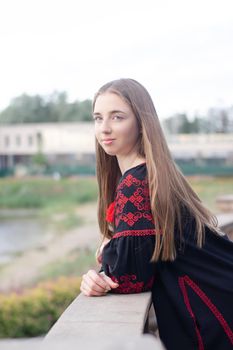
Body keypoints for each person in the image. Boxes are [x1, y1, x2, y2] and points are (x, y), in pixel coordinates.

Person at [80, 78, 233, 350]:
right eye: (98, 118)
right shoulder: (154, 174)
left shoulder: (137, 182)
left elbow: (129, 277)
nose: (104, 128)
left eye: (117, 117)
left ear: (141, 122)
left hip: (213, 311)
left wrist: (104, 259)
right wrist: (114, 247)